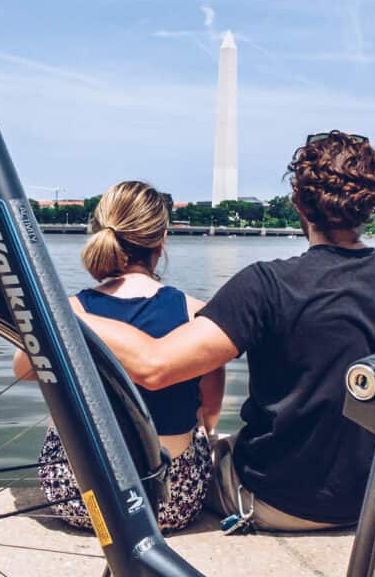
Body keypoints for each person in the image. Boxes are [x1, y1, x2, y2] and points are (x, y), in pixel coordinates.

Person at [76, 133, 375, 531]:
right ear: (371, 205)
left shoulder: (266, 285)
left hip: (276, 499)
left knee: (207, 447)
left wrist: (57, 310)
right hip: (372, 499)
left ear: (298, 203)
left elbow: (155, 366)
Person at [14, 181, 225, 531]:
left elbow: (22, 368)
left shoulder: (71, 311)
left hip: (78, 497)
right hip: (171, 504)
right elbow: (210, 415)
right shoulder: (196, 314)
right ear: (162, 239)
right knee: (202, 430)